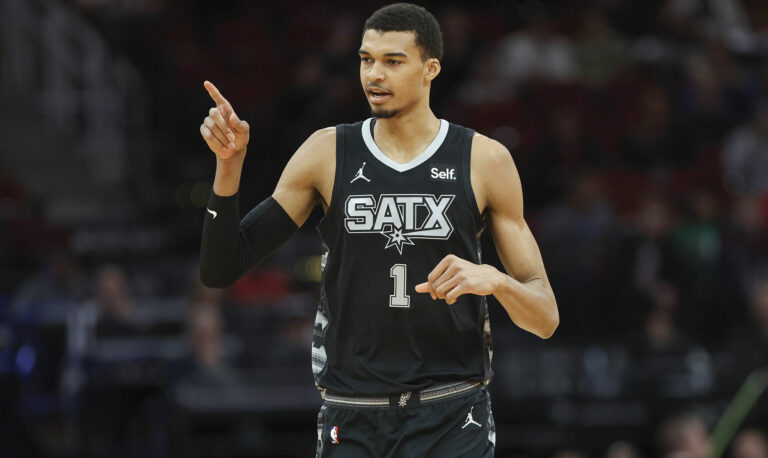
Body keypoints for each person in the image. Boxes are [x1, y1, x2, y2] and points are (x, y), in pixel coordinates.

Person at [198, 3, 559, 457]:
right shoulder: (327, 151)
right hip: (353, 412)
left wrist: (497, 281)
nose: (374, 74)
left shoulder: (483, 159)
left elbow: (545, 318)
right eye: (366, 60)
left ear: (430, 69)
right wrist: (229, 168)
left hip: (451, 412)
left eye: (393, 61)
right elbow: (221, 268)